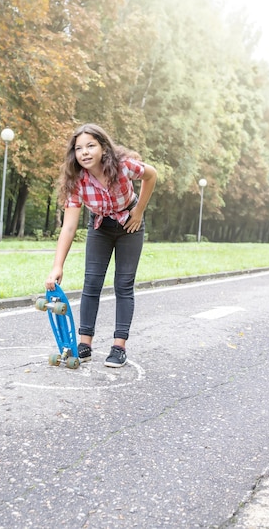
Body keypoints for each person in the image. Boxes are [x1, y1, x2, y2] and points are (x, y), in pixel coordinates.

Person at [45, 123, 157, 368]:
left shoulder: (123, 166)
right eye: (79, 148)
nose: (84, 152)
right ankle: (85, 344)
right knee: (92, 283)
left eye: (90, 146)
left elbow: (152, 175)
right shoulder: (76, 181)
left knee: (123, 284)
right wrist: (57, 266)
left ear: (104, 148)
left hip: (130, 224)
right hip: (99, 226)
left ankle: (119, 347)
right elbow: (69, 227)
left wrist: (139, 211)